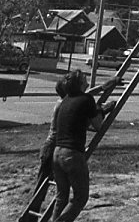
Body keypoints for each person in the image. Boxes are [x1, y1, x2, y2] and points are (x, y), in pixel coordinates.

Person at [51, 69, 107, 222]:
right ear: (81, 83)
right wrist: (102, 111)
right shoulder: (87, 99)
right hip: (72, 155)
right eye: (84, 77)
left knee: (61, 197)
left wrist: (98, 108)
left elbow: (80, 121)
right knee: (81, 197)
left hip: (57, 153)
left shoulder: (66, 100)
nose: (86, 78)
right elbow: (97, 126)